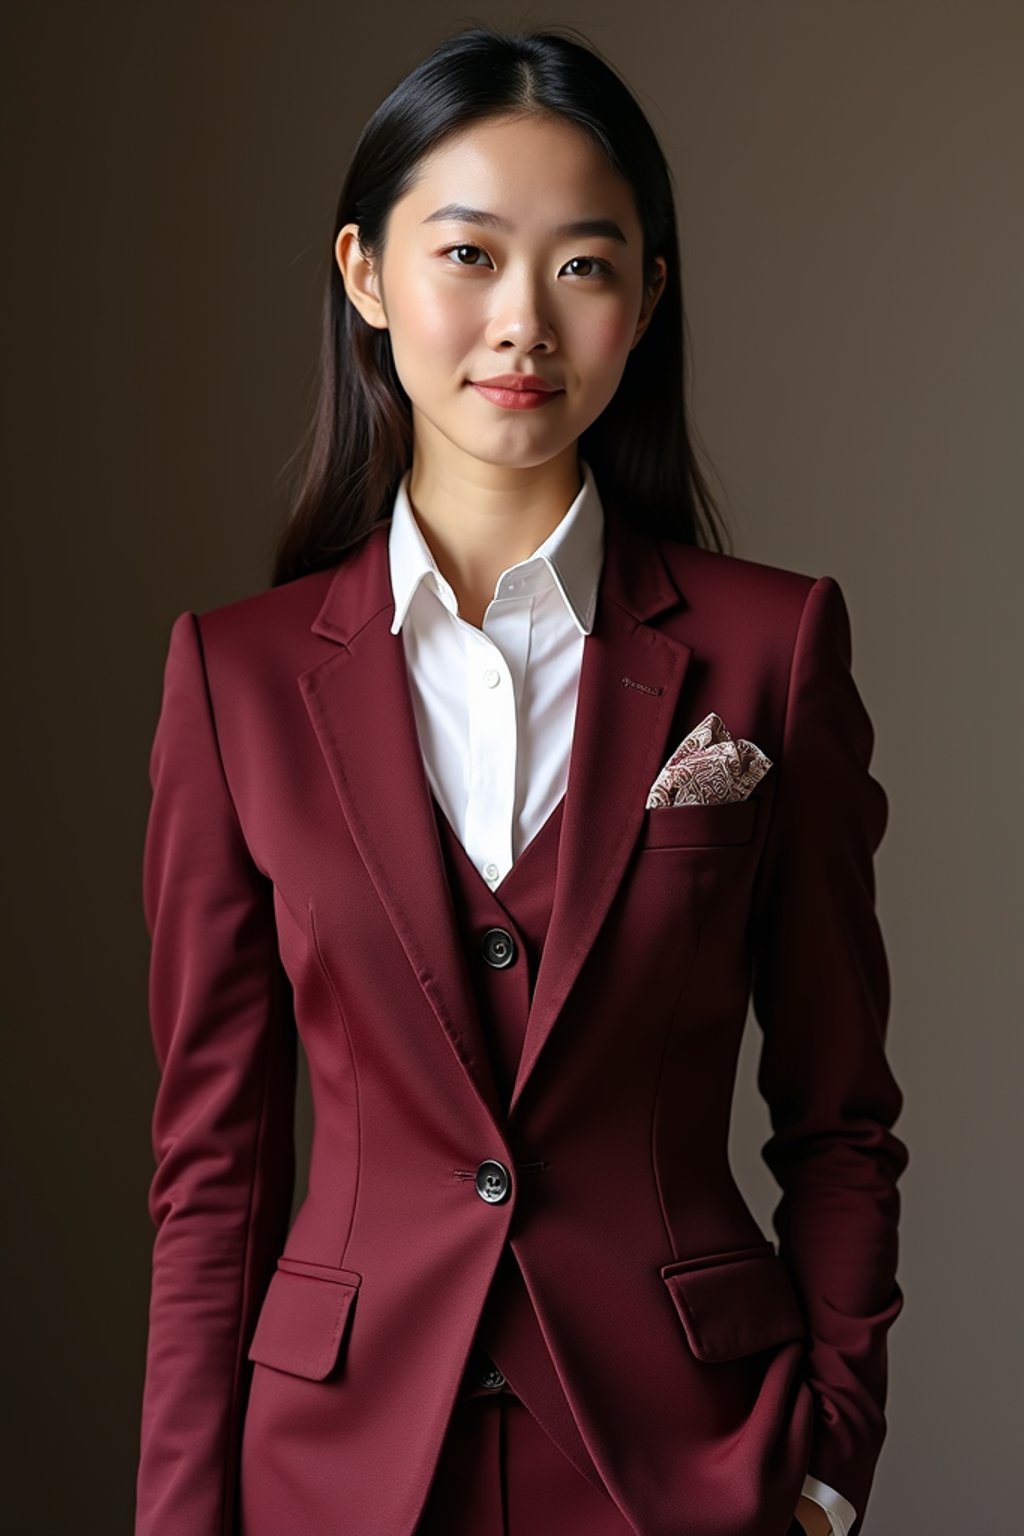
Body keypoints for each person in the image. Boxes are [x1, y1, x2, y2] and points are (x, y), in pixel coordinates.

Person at [134, 24, 908, 1536]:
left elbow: (839, 1115)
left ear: (646, 302)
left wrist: (828, 1467)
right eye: (470, 254)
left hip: (684, 1465)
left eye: (584, 265)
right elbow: (212, 1167)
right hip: (336, 1476)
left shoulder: (771, 647)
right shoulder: (234, 680)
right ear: (365, 276)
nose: (522, 325)